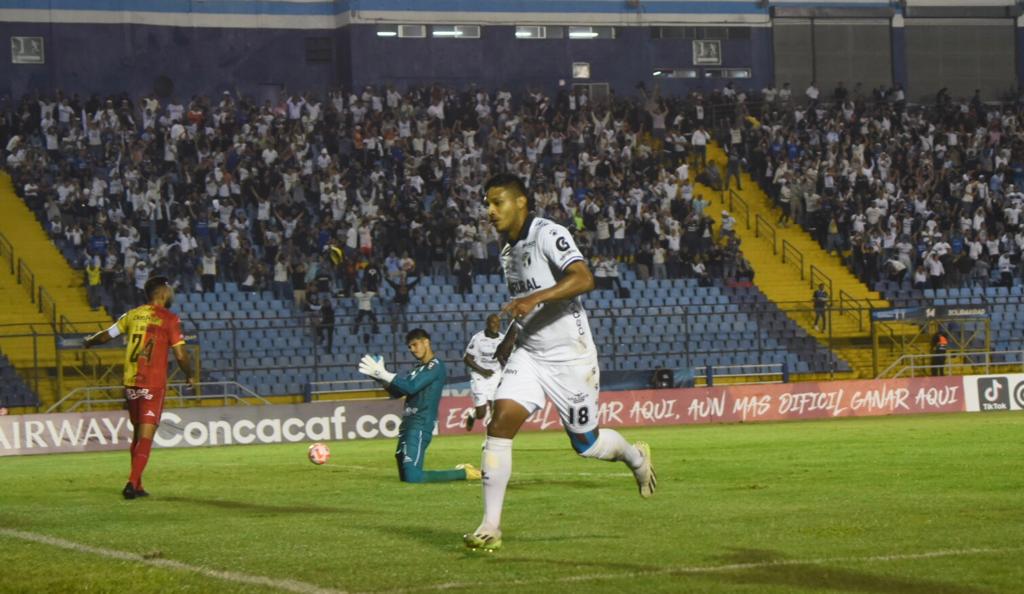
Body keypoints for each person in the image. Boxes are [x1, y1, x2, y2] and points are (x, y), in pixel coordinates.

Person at [462, 174, 656, 552]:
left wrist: (536, 298)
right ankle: (490, 526)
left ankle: (635, 458)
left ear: (521, 202)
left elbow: (583, 279)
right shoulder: (505, 251)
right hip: (530, 355)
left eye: (497, 202)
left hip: (571, 358)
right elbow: (526, 306)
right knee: (499, 424)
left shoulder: (549, 233)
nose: (489, 210)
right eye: (487, 202)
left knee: (587, 444)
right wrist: (510, 341)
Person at [83, 276, 196, 500]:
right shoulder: (169, 319)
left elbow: (106, 335)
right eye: (170, 289)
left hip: (131, 382)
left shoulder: (132, 315)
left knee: (137, 433)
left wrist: (89, 340)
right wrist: (190, 374)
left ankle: (139, 484)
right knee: (146, 435)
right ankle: (131, 483)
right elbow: (180, 354)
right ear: (163, 292)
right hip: (152, 382)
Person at [357, 328, 480, 483]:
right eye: (409, 347)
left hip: (420, 425)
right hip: (407, 426)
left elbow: (411, 387)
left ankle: (464, 473)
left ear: (426, 342)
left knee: (413, 477)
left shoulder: (436, 366)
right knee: (406, 477)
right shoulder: (418, 369)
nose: (412, 350)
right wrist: (380, 378)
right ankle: (462, 472)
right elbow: (398, 392)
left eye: (415, 345)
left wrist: (383, 373)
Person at [462, 314, 505, 431]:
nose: (496, 325)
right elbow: (467, 358)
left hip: (495, 374)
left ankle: (489, 439)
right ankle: (472, 414)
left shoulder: (503, 338)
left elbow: (503, 357)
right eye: (493, 322)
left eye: (498, 323)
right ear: (487, 323)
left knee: (494, 409)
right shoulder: (478, 338)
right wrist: (483, 370)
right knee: (481, 413)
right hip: (479, 375)